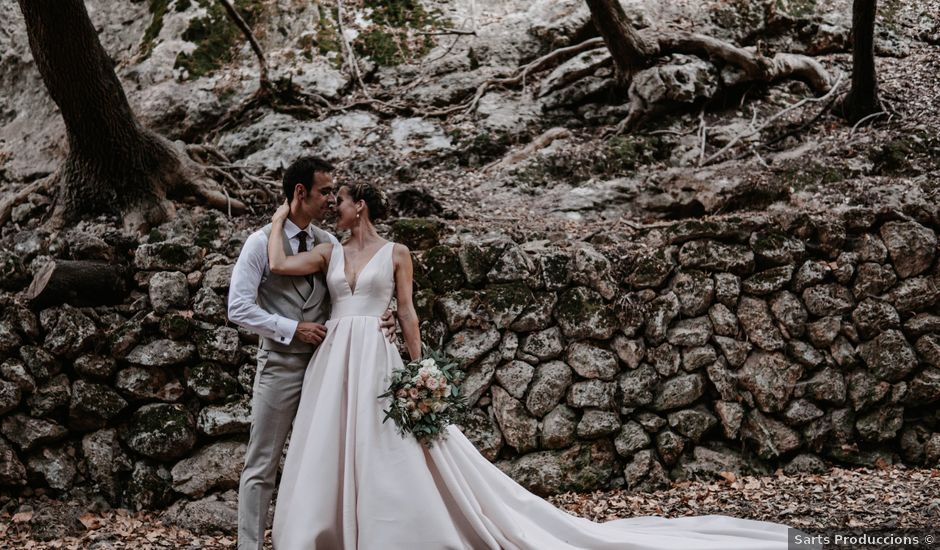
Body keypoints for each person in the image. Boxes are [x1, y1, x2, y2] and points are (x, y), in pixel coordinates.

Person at [264, 182, 807, 549]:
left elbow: (406, 313)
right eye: (330, 199)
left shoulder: (397, 252)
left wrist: (419, 369)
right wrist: (279, 216)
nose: (333, 206)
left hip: (380, 358)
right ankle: (330, 528)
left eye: (341, 201)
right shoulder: (330, 253)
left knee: (388, 443)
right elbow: (278, 263)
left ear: (363, 207)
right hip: (337, 358)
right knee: (334, 439)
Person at [227, 157, 393, 550]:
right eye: (324, 192)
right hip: (280, 366)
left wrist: (381, 316)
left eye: (335, 192)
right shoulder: (258, 243)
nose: (332, 199)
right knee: (262, 463)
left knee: (330, 459)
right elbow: (238, 307)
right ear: (300, 192)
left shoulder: (330, 243)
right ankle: (249, 546)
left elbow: (351, 289)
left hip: (329, 367)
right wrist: (291, 329)